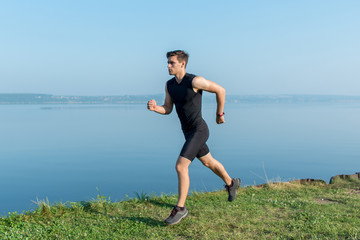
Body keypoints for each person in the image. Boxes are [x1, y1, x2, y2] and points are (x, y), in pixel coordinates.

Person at [147, 50, 240, 226]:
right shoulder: (169, 85)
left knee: (181, 166)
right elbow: (167, 108)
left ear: (182, 64)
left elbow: (221, 90)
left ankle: (180, 208)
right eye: (167, 62)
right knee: (208, 162)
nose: (168, 66)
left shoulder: (194, 81)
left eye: (171, 63)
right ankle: (231, 182)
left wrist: (219, 114)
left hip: (199, 129)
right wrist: (155, 108)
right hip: (188, 132)